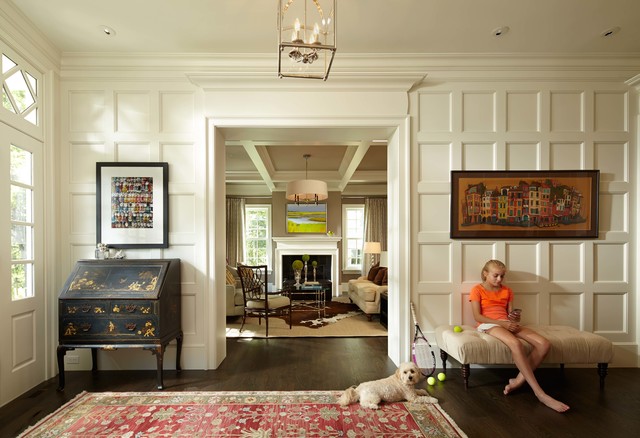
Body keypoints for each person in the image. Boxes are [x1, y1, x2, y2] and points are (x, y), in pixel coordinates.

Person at [469, 259, 570, 413]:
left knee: (544, 344)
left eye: (502, 276)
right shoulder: (477, 290)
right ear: (485, 274)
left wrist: (514, 318)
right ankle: (540, 394)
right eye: (496, 275)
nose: (499, 279)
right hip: (488, 324)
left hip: (506, 323)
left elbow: (510, 315)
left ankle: (518, 380)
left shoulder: (507, 291)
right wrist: (502, 324)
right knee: (516, 344)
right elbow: (477, 316)